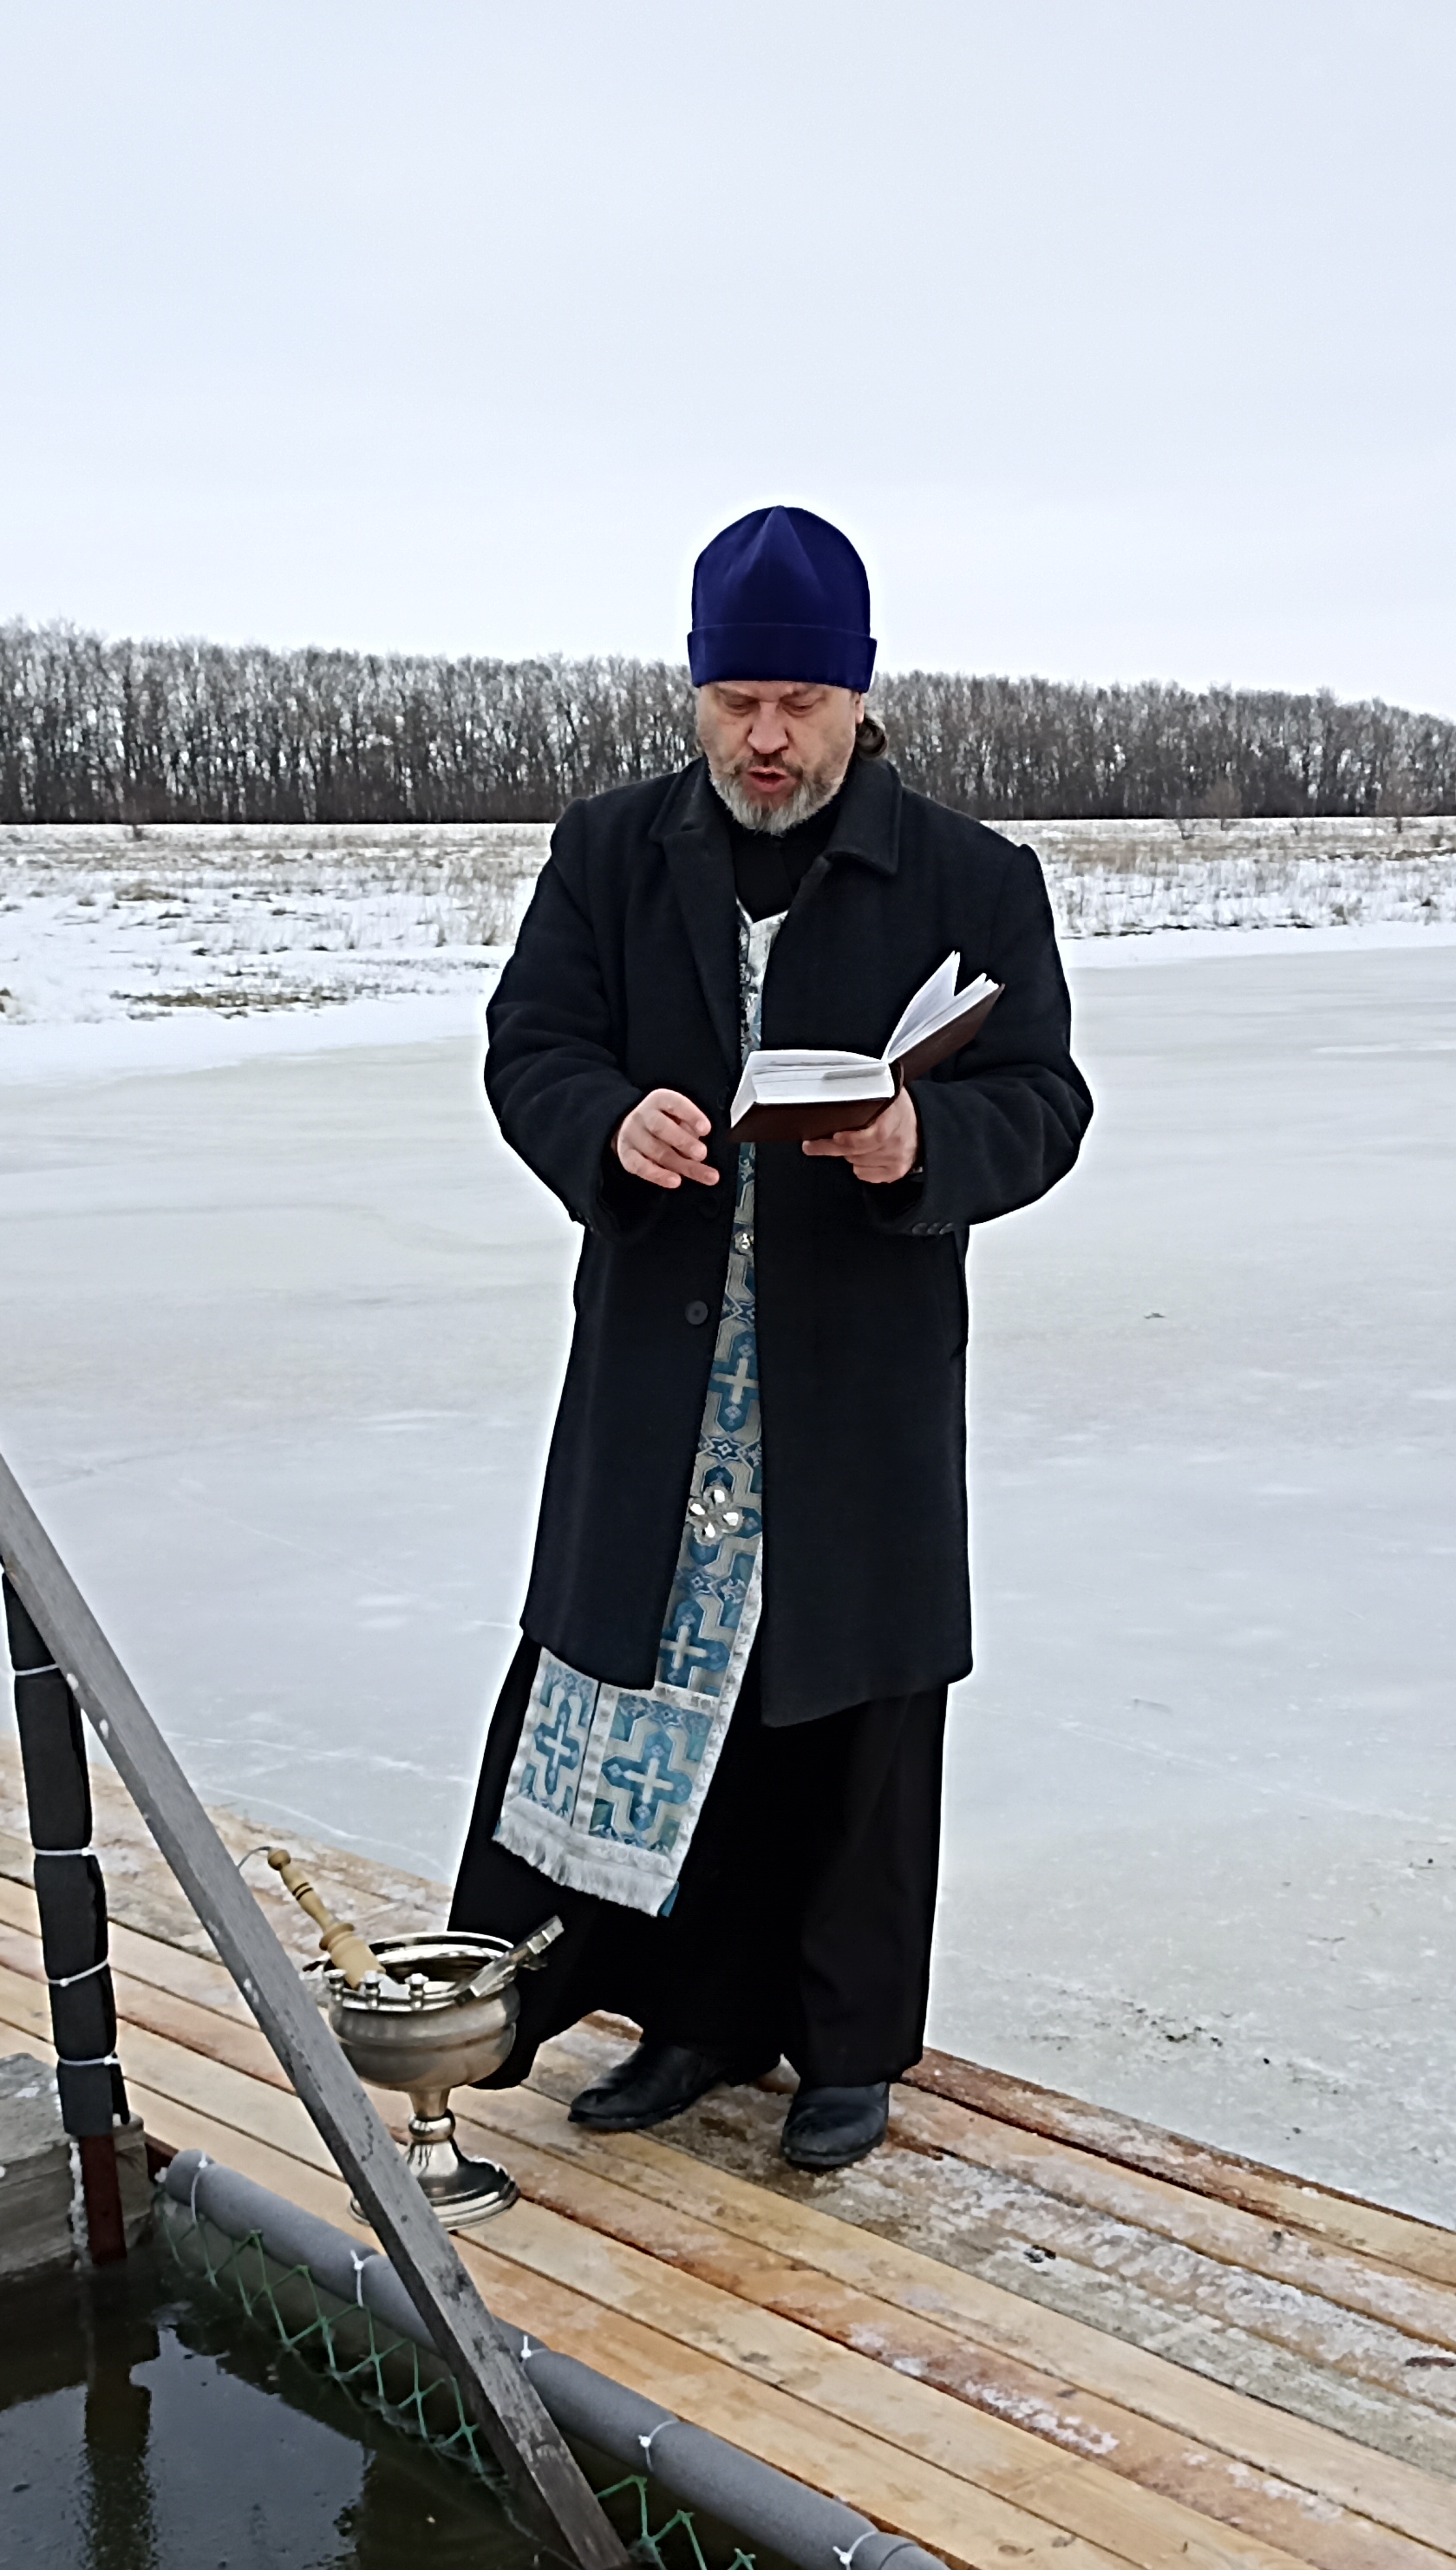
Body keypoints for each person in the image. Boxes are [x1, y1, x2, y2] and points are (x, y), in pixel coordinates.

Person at [447, 505, 1091, 2172]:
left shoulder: (969, 877)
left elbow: (1046, 1101)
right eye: (738, 699)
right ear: (697, 690)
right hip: (666, 1369)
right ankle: (693, 2018)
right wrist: (606, 1127)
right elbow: (532, 1046)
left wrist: (917, 1151)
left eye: (801, 701)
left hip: (855, 1379)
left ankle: (847, 2051)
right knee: (675, 1690)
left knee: (848, 1709)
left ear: (859, 699)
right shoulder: (609, 851)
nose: (768, 734)